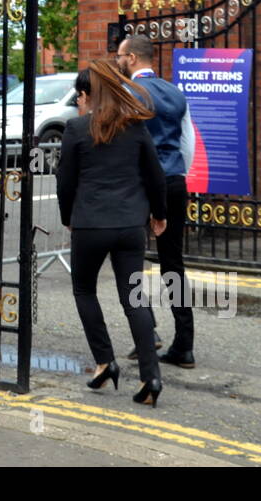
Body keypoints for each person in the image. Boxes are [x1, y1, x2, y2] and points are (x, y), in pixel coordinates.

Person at [56, 60, 168, 406]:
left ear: (89, 95)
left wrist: (68, 217)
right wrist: (159, 215)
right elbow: (155, 175)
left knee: (84, 290)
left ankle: (105, 362)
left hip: (90, 223)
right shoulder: (134, 128)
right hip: (130, 225)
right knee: (133, 297)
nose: (78, 101)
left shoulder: (76, 129)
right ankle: (151, 376)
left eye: (80, 95)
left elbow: (65, 183)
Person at [117, 33, 197, 369]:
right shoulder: (176, 93)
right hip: (174, 182)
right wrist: (175, 176)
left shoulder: (127, 93)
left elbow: (120, 144)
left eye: (120, 54)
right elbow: (188, 145)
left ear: (133, 58)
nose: (118, 60)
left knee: (129, 260)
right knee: (172, 264)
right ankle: (184, 344)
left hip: (139, 184)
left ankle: (147, 332)